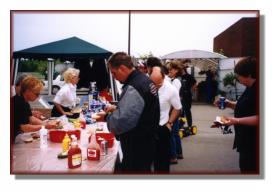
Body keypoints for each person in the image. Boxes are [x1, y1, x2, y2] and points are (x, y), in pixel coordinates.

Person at [103, 52, 160, 173]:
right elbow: (142, 107)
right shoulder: (145, 80)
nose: (113, 77)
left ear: (123, 68)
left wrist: (106, 118)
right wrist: (118, 107)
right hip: (147, 141)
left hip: (137, 146)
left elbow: (119, 122)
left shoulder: (135, 85)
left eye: (113, 72)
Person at [214, 56, 258, 174]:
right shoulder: (250, 88)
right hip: (245, 141)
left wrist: (236, 120)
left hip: (254, 144)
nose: (237, 78)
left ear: (248, 75)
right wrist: (229, 104)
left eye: (239, 75)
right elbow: (245, 106)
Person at [150, 66, 182, 173]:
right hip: (148, 128)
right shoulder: (148, 86)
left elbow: (177, 108)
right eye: (153, 83)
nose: (155, 86)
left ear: (163, 77)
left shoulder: (171, 89)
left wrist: (169, 123)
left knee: (162, 163)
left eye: (158, 84)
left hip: (162, 128)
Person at [12, 76, 57, 141]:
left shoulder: (25, 102)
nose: (38, 97)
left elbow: (30, 118)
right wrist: (44, 126)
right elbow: (24, 127)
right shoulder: (18, 102)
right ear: (27, 91)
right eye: (36, 94)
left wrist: (46, 124)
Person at [167, 60, 184, 163]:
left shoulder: (176, 81)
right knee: (175, 132)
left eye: (171, 69)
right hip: (175, 108)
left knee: (172, 133)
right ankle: (178, 153)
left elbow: (173, 95)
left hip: (174, 109)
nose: (169, 70)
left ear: (177, 70)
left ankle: (173, 156)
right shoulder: (173, 80)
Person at [180, 62, 197, 128]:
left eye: (180, 69)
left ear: (183, 69)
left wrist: (192, 89)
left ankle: (189, 125)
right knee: (181, 111)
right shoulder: (179, 77)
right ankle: (181, 125)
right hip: (180, 95)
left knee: (187, 110)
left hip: (187, 95)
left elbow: (195, 83)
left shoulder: (189, 76)